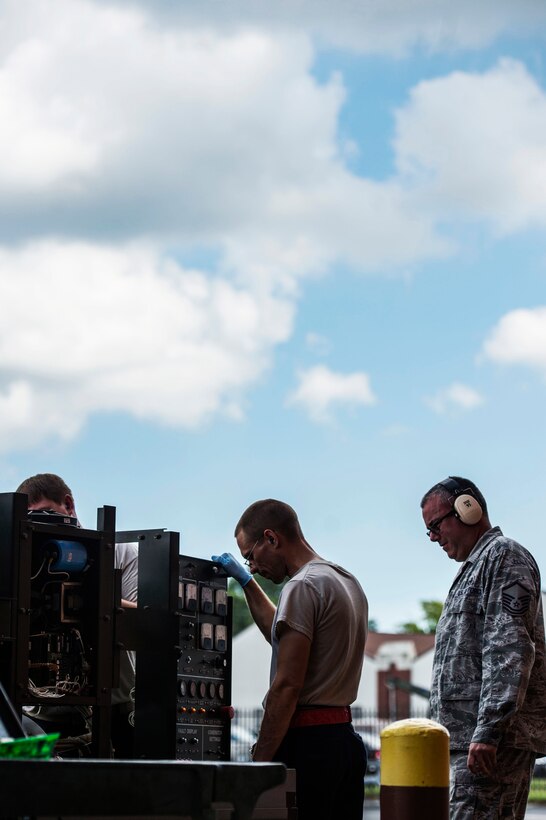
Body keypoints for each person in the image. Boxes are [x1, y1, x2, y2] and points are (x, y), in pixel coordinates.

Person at [212, 498, 368, 820]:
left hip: (309, 746)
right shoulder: (345, 581)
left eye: (250, 556)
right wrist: (247, 584)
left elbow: (286, 686)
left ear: (271, 538)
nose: (252, 567)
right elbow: (283, 633)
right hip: (344, 744)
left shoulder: (302, 586)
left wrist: (258, 767)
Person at [421, 476, 546, 819]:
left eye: (435, 525)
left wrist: (489, 730)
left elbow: (509, 648)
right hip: (474, 741)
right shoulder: (478, 566)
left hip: (491, 744)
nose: (432, 537)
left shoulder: (503, 556)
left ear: (468, 509)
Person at [16, 473, 138, 757]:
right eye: (29, 518)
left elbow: (140, 617)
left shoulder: (120, 552)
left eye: (44, 513)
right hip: (43, 711)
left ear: (68, 505)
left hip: (114, 708)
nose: (39, 524)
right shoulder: (23, 561)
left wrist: (90, 598)